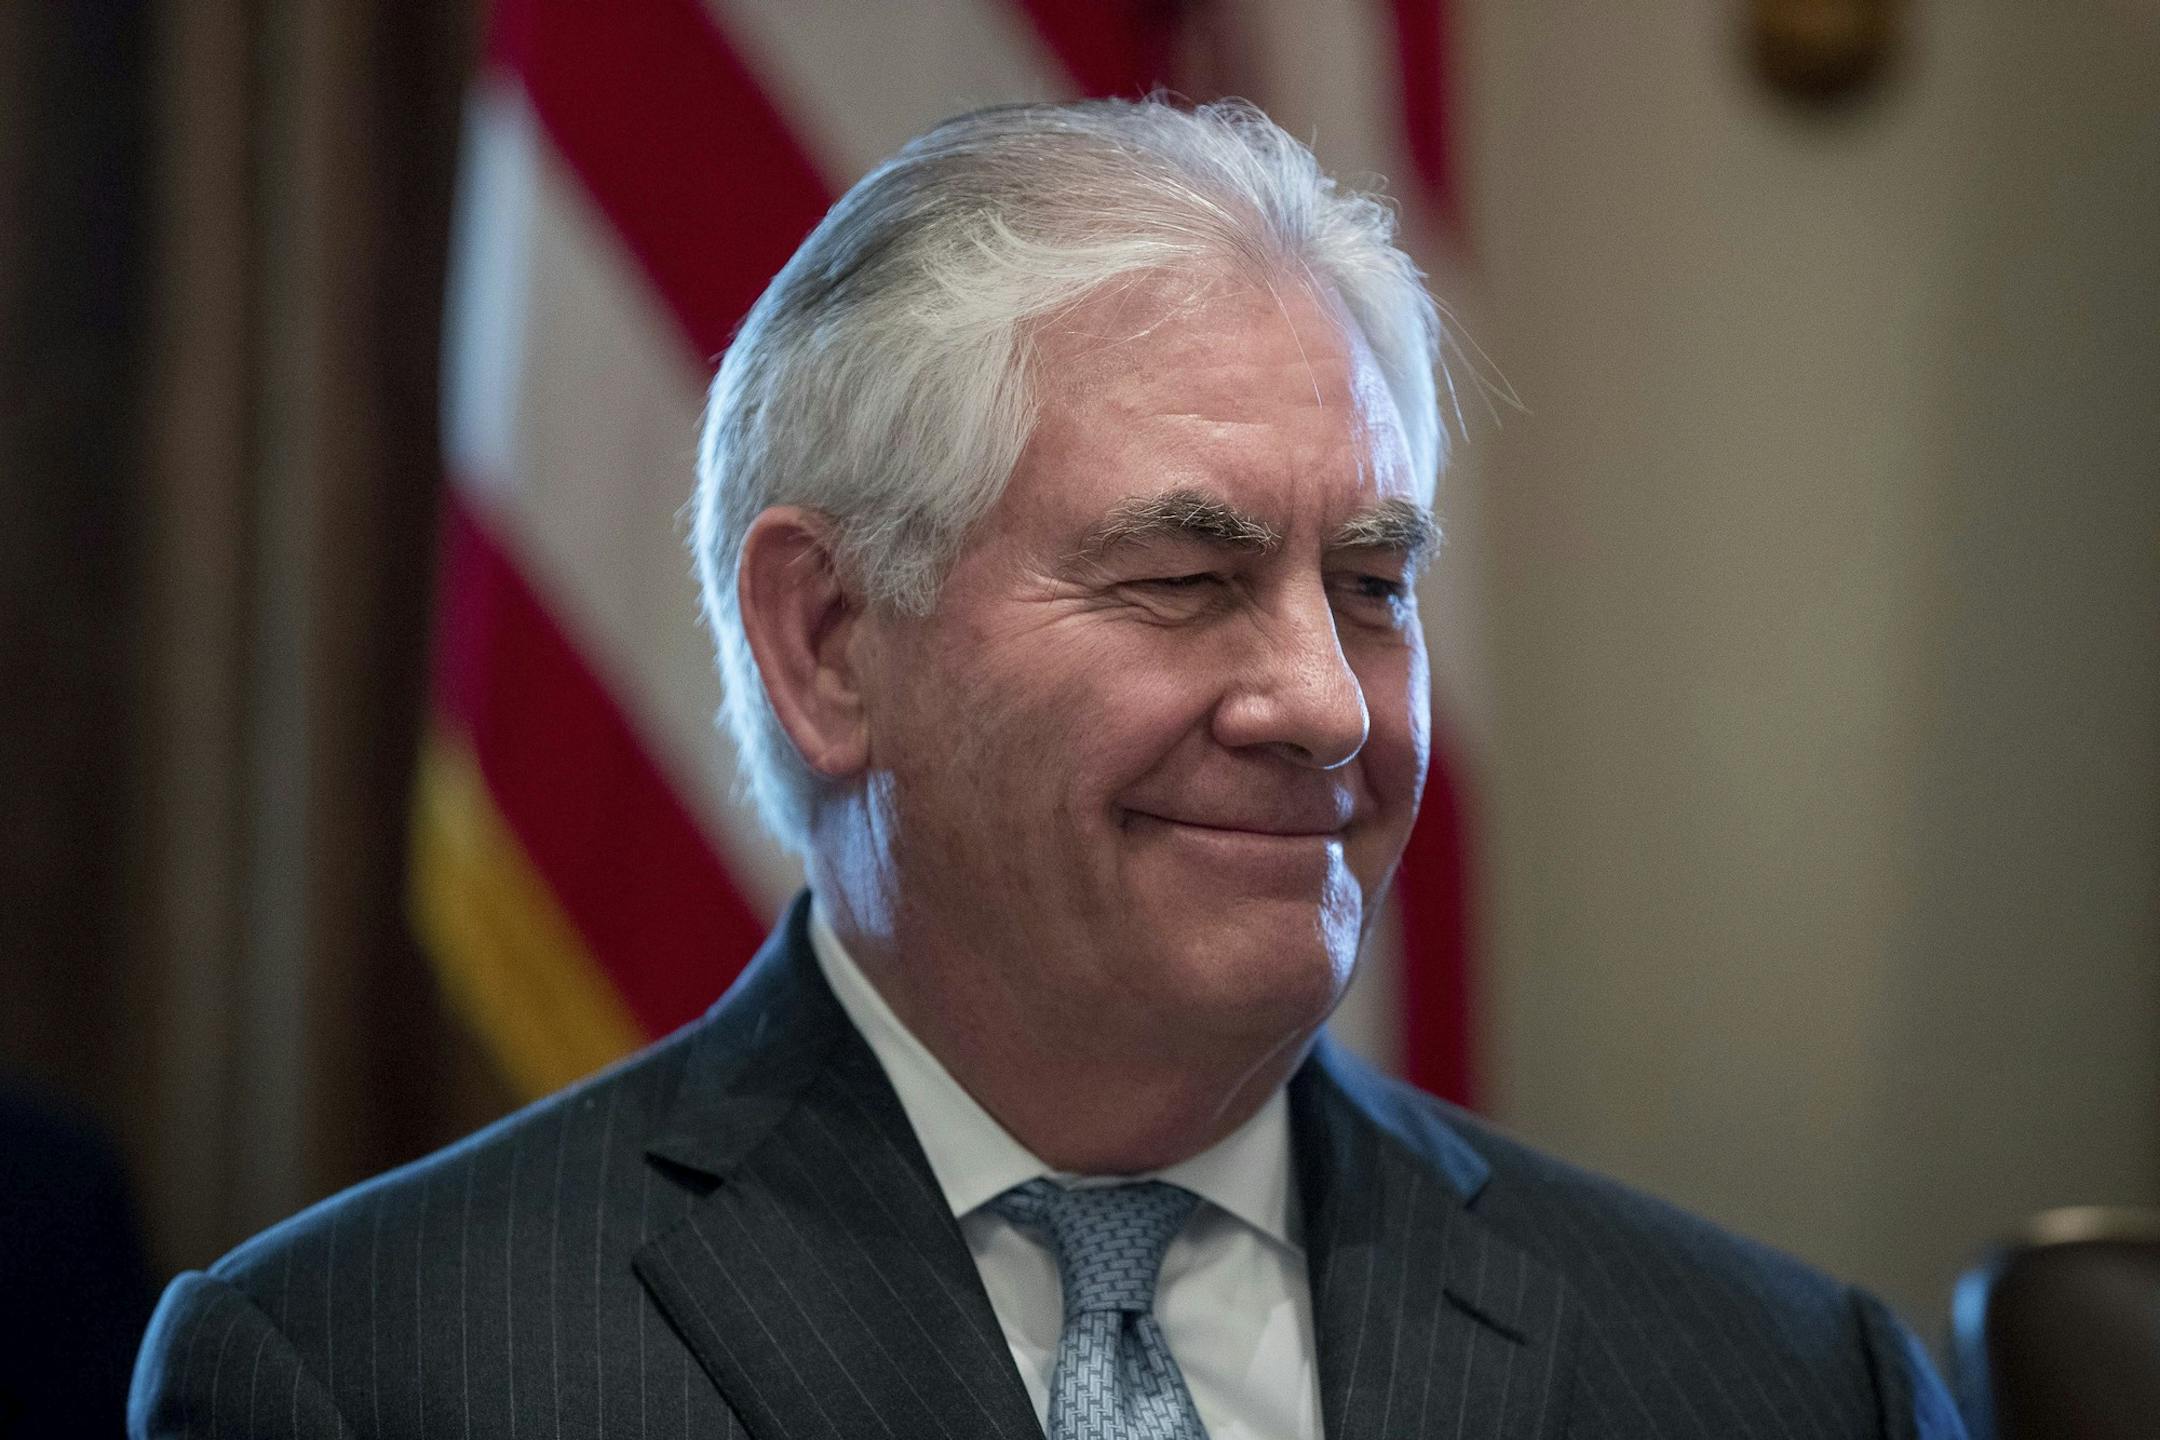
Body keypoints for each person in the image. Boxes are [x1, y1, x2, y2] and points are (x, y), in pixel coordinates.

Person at [132, 99, 1966, 1439]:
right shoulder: (370, 1376)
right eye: (1188, 578)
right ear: (830, 642)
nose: (1328, 706)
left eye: (1373, 587)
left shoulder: (1787, 1385)